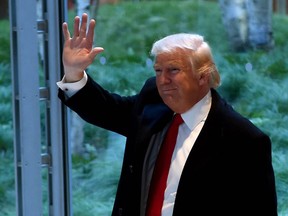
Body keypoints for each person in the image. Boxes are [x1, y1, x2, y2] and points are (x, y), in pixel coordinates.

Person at [57, 13, 278, 216]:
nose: (163, 81)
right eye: (158, 71)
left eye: (173, 70)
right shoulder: (152, 100)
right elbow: (105, 110)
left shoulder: (244, 140)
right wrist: (73, 72)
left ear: (203, 76)